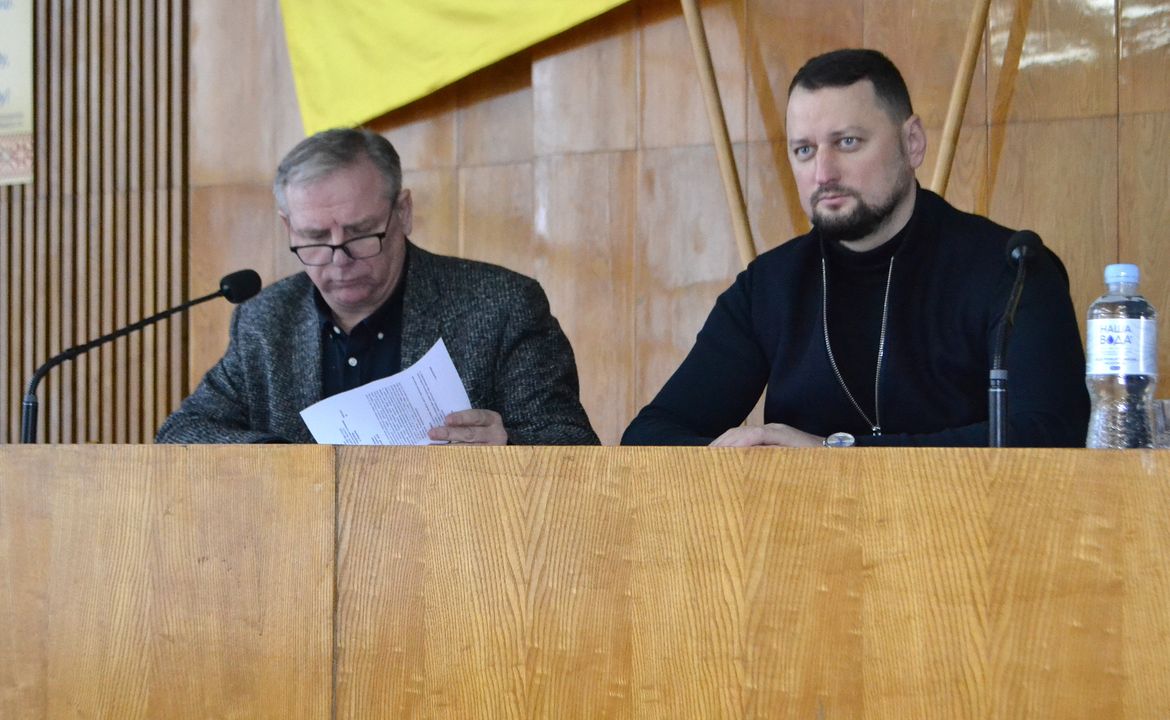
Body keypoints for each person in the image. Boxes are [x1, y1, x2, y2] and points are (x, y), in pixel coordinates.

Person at [622, 48, 1088, 448]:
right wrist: (745, 459)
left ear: (912, 143)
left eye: (847, 142)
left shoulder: (1013, 269)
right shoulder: (770, 286)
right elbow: (650, 436)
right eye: (804, 150)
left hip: (968, 523)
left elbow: (1052, 431)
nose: (823, 173)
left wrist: (834, 455)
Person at [158, 128, 598, 445]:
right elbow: (182, 433)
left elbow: (573, 446)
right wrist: (289, 464)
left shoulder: (502, 306)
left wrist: (509, 446)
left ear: (402, 213)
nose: (340, 258)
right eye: (315, 238)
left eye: (360, 232)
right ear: (288, 228)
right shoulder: (265, 319)